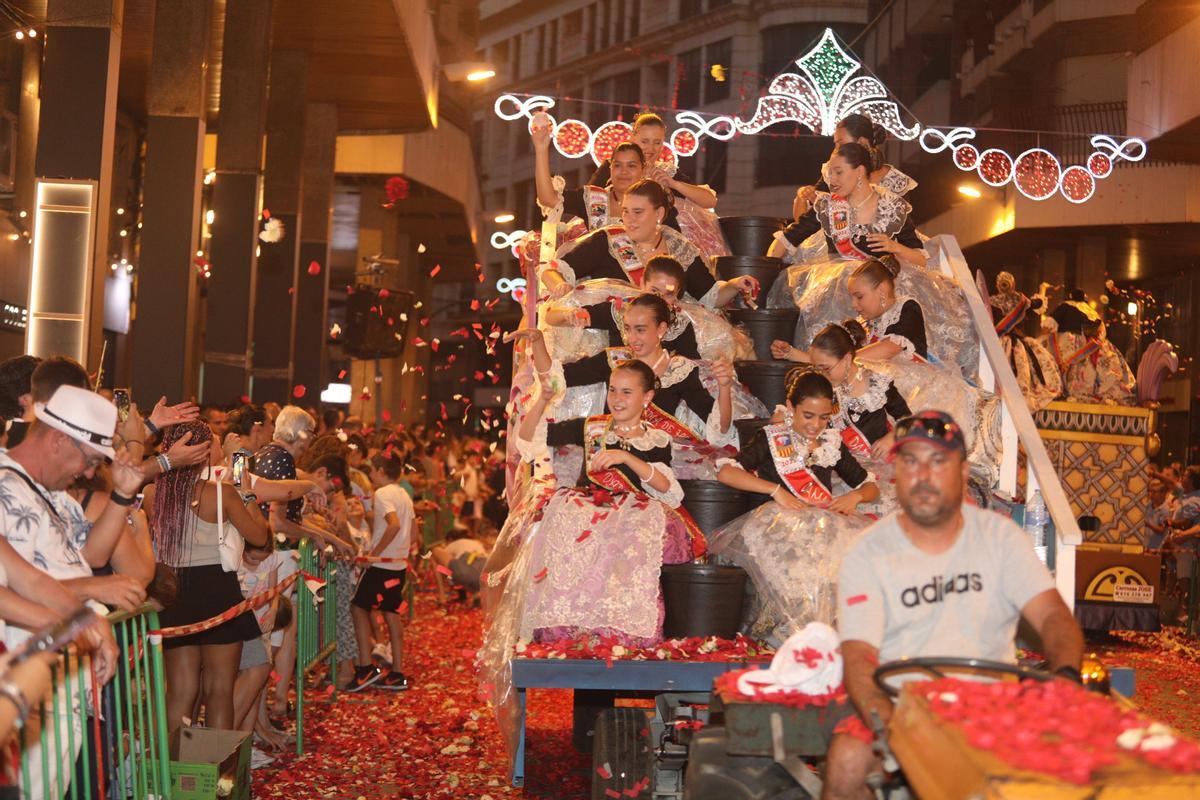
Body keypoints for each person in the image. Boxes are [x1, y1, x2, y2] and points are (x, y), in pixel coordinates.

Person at [825, 411, 1084, 800]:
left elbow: (1052, 616)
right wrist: (890, 726)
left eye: (938, 462)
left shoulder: (1001, 539)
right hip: (902, 706)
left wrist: (1065, 676)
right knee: (847, 760)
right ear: (896, 473)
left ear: (963, 472)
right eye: (910, 461)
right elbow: (858, 653)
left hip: (991, 707)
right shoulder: (868, 551)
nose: (923, 475)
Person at [481, 360, 704, 759]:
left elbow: (669, 491)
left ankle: (623, 629)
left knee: (640, 526)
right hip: (592, 509)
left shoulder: (657, 438)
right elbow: (531, 440)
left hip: (636, 514)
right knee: (567, 513)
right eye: (613, 390)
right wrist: (544, 399)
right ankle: (570, 625)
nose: (616, 399)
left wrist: (627, 461)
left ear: (648, 397)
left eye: (626, 392)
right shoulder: (591, 427)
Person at [711, 370, 879, 642]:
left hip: (824, 524)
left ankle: (828, 638)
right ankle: (793, 637)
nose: (816, 425)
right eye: (808, 416)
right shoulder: (772, 437)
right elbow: (726, 472)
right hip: (779, 526)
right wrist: (774, 489)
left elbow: (870, 486)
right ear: (791, 407)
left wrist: (855, 497)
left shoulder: (831, 442)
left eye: (824, 417)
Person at [146, 421, 271, 734]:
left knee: (180, 694)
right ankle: (219, 776)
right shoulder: (222, 495)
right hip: (217, 592)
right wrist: (247, 495)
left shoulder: (153, 494)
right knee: (219, 692)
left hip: (175, 592)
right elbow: (259, 536)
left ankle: (172, 774)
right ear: (202, 453)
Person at [520, 293, 740, 449]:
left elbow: (719, 429)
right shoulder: (613, 359)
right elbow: (556, 379)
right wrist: (538, 342)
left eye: (641, 330)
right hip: (609, 454)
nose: (632, 338)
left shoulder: (679, 370)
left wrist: (724, 387)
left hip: (655, 462)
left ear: (661, 329)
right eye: (628, 329)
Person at [541, 180, 754, 308]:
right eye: (625, 211)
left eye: (638, 212)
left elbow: (710, 296)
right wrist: (560, 285)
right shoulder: (606, 240)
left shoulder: (679, 247)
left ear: (659, 213)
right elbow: (552, 271)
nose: (628, 219)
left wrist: (735, 284)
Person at [541, 255, 756, 364]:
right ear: (641, 284)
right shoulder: (618, 310)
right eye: (654, 290)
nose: (659, 299)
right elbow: (552, 317)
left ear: (678, 297)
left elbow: (689, 369)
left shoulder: (681, 326)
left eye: (669, 294)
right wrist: (567, 315)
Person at [585, 111, 727, 261]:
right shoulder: (614, 166)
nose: (651, 148)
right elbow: (587, 201)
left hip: (656, 254)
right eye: (645, 141)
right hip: (612, 248)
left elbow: (709, 201)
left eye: (657, 142)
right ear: (632, 138)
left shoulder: (666, 172)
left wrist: (673, 184)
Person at [349, 451, 415, 692]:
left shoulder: (383, 493)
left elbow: (394, 524)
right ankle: (397, 671)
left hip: (381, 564)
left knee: (358, 607)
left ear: (380, 471)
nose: (371, 476)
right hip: (398, 563)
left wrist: (373, 553)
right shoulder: (404, 495)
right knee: (391, 614)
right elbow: (412, 531)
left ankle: (365, 667)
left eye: (373, 471)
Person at [791, 113, 918, 221]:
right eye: (835, 144)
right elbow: (803, 225)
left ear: (862, 142)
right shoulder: (834, 174)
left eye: (841, 143)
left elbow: (903, 230)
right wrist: (804, 196)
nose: (836, 150)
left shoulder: (896, 183)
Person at [1041, 291, 1135, 404]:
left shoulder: (1064, 306)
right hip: (1087, 344)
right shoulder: (1091, 311)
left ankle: (1063, 391)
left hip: (1066, 341)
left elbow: (1048, 325)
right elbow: (1101, 332)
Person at [989, 272, 1062, 411]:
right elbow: (1039, 304)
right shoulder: (1020, 299)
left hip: (998, 341)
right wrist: (1042, 290)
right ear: (1013, 283)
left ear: (997, 285)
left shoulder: (992, 301)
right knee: (1025, 370)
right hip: (1018, 342)